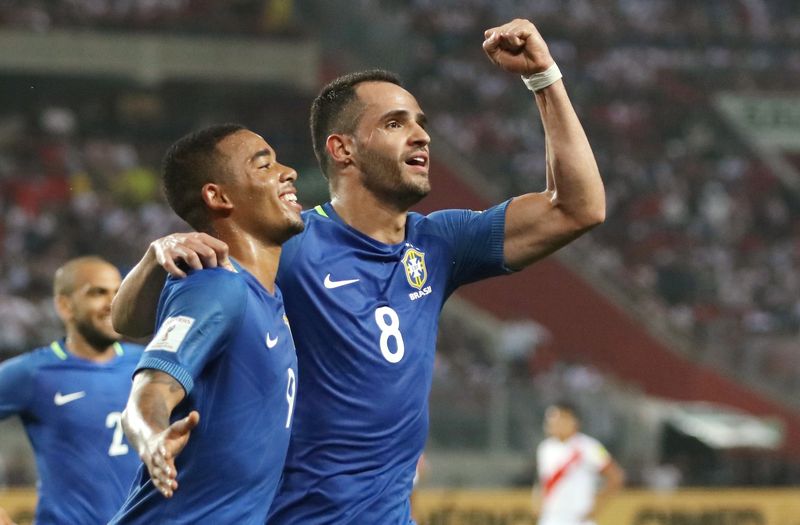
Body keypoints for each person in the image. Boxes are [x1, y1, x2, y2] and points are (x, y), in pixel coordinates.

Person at [111, 18, 605, 524]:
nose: (420, 136)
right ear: (342, 148)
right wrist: (157, 257)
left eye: (420, 123)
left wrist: (544, 77)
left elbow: (576, 208)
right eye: (395, 124)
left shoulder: (439, 243)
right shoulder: (287, 243)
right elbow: (129, 322)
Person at [108, 124, 303, 524]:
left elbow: (124, 320)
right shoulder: (217, 285)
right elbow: (149, 393)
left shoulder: (268, 298)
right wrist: (153, 437)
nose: (288, 171)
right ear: (218, 195)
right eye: (264, 164)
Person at [0, 256, 144, 525]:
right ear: (65, 306)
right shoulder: (33, 372)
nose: (111, 303)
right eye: (97, 292)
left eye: (118, 291)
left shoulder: (148, 364)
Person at [532, 402, 624, 525]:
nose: (554, 422)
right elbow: (543, 479)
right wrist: (537, 501)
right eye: (551, 418)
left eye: (560, 418)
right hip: (550, 518)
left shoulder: (590, 446)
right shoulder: (545, 448)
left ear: (574, 421)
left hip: (578, 519)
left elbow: (616, 476)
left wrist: (597, 507)